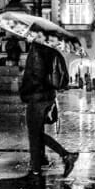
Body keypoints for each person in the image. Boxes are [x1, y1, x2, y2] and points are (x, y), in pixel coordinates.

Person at [19, 37, 79, 179]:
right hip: (47, 96)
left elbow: (36, 76)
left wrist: (24, 92)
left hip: (37, 96)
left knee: (34, 133)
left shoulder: (37, 50)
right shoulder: (51, 50)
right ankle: (41, 162)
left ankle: (39, 169)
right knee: (37, 132)